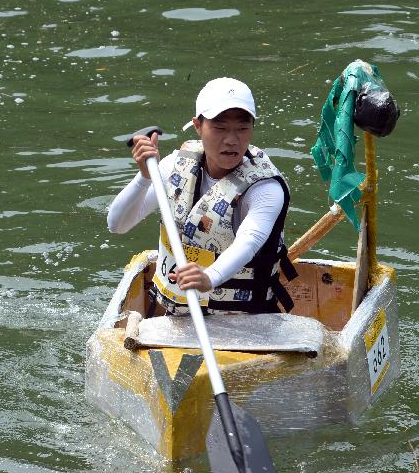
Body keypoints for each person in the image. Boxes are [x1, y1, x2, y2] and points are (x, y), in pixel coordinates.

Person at [107, 77, 296, 316]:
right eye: (220, 127)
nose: (232, 139)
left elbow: (250, 242)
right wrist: (144, 177)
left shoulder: (265, 187)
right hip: (177, 316)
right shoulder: (175, 165)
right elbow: (117, 224)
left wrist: (209, 277)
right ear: (198, 125)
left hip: (246, 322)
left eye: (242, 128)